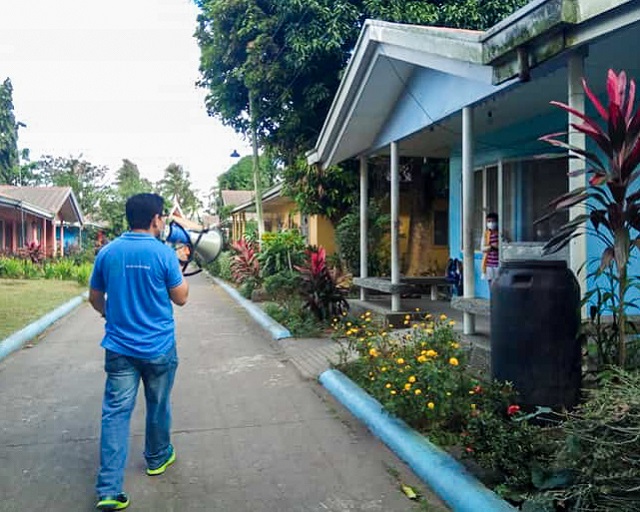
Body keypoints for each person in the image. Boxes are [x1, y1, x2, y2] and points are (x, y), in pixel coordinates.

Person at [88, 193, 189, 511]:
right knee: (158, 404)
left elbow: (94, 297)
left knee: (115, 414)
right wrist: (182, 263)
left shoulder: (108, 252)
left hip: (119, 348)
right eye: (162, 219)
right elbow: (181, 298)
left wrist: (110, 315)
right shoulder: (163, 254)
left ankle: (109, 490)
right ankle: (157, 458)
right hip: (159, 348)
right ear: (156, 219)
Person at [481, 212, 500, 289]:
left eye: (493, 221)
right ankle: (493, 300)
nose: (491, 223)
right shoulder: (486, 234)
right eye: (488, 221)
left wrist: (497, 247)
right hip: (489, 264)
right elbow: (482, 248)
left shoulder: (501, 233)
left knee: (499, 285)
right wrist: (491, 247)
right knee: (491, 285)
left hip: (499, 264)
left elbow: (504, 246)